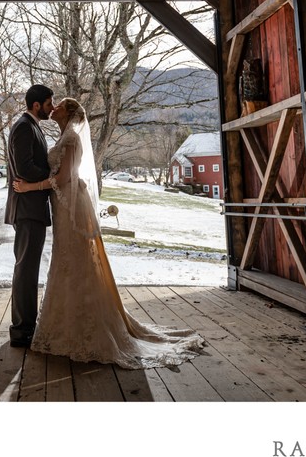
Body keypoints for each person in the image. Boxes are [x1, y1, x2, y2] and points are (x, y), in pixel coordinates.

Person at [14, 97, 205, 369]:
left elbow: (62, 178)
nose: (53, 108)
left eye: (59, 105)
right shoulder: (64, 135)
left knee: (76, 261)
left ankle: (84, 326)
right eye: (51, 104)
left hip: (71, 208)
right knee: (67, 262)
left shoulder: (70, 139)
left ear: (68, 113)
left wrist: (29, 188)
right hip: (63, 206)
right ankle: (70, 321)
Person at [4, 84, 54, 348]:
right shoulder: (24, 127)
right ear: (36, 105)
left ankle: (25, 327)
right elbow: (24, 168)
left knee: (28, 269)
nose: (51, 108)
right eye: (48, 103)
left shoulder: (32, 126)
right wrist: (53, 177)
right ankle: (21, 331)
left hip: (32, 208)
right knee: (25, 271)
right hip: (27, 208)